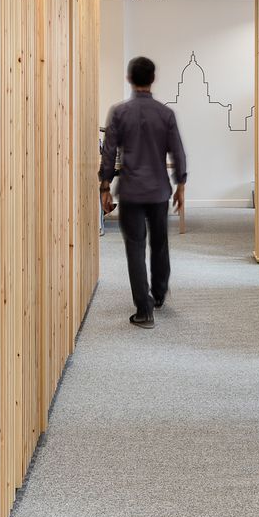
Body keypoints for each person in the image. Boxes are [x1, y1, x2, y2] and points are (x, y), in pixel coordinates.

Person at [99, 56, 188, 329]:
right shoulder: (165, 114)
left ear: (129, 79)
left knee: (135, 248)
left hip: (131, 193)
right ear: (153, 79)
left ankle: (144, 311)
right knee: (160, 244)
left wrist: (105, 186)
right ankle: (159, 294)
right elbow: (178, 152)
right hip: (159, 191)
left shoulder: (119, 112)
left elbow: (109, 153)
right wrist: (181, 185)